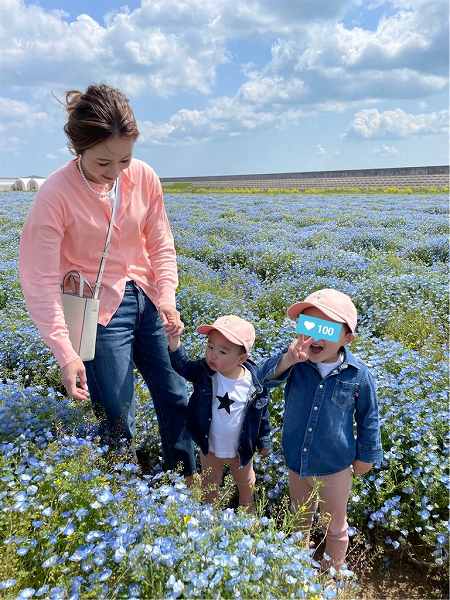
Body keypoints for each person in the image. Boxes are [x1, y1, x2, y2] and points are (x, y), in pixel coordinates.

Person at [19, 83, 195, 475]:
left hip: (146, 295)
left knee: (176, 394)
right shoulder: (55, 194)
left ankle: (188, 487)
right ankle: (124, 498)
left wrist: (167, 297)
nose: (115, 173)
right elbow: (39, 278)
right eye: (103, 163)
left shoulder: (144, 176)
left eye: (124, 160)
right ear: (78, 150)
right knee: (115, 410)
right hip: (95, 309)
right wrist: (65, 352)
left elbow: (161, 242)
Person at [259, 288, 383, 570]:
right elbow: (261, 380)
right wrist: (288, 360)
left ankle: (333, 574)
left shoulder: (358, 374)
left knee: (335, 525)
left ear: (347, 338)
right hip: (297, 460)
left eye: (326, 328)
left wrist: (367, 455)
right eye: (308, 325)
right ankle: (295, 570)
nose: (315, 336)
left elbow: (369, 416)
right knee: (299, 517)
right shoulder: (295, 363)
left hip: (335, 465)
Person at [167, 315, 272, 509]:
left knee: (246, 482)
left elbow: (262, 413)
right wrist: (175, 343)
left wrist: (264, 440)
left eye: (222, 351)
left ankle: (247, 511)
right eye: (210, 347)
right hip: (210, 446)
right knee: (209, 484)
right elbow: (182, 366)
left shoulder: (254, 382)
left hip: (241, 450)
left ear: (242, 358)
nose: (213, 355)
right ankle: (210, 517)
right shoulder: (204, 371)